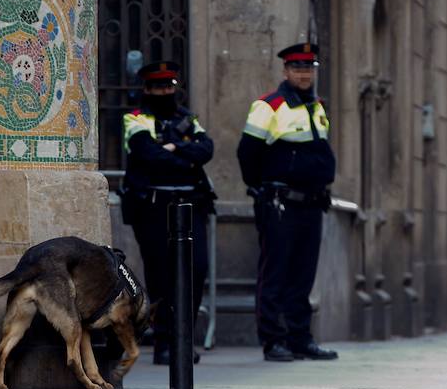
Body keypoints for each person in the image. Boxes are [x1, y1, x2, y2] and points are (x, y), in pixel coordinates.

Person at [236, 42, 338, 362]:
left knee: (303, 275)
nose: (304, 73)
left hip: (311, 204)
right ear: (285, 70)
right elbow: (247, 153)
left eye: (309, 67)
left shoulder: (317, 106)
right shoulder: (269, 106)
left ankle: (300, 338)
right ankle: (273, 340)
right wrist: (260, 190)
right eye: (297, 67)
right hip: (279, 203)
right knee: (275, 274)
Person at [121, 60, 216, 365]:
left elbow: (206, 150)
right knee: (160, 277)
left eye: (169, 86)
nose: (164, 91)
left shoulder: (187, 118)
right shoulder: (136, 118)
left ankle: (184, 340)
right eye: (158, 86)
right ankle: (164, 342)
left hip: (191, 205)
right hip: (153, 207)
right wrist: (183, 154)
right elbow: (148, 155)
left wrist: (173, 148)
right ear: (147, 89)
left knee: (196, 269)